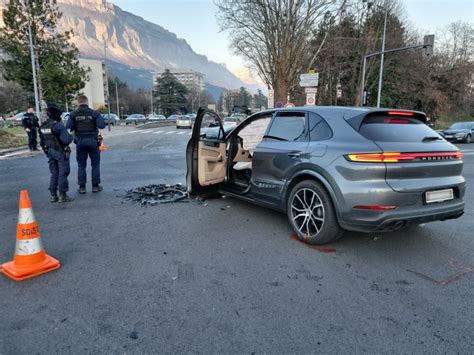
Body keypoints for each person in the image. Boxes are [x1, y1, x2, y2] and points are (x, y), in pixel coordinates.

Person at [67, 95, 106, 194]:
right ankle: (95, 186)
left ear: (78, 102)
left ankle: (82, 187)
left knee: (81, 165)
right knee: (95, 164)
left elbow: (69, 127)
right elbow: (102, 125)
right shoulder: (94, 113)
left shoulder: (73, 114)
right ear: (87, 102)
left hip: (80, 141)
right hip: (93, 141)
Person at [39, 105, 74, 203]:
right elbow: (66, 139)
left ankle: (53, 195)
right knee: (63, 173)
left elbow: (42, 142)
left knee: (54, 173)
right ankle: (63, 195)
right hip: (59, 151)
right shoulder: (57, 125)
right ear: (56, 115)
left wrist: (47, 152)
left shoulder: (43, 125)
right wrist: (72, 137)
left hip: (50, 151)